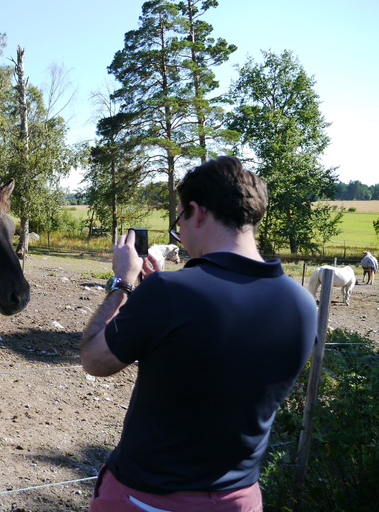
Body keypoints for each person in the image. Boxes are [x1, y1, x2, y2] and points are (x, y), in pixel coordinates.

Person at [81, 156, 317, 512]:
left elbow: (93, 359)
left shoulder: (168, 293)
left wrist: (122, 284)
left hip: (147, 498)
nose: (180, 230)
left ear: (198, 212)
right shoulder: (302, 304)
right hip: (240, 499)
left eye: (179, 220)